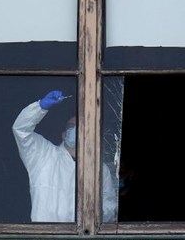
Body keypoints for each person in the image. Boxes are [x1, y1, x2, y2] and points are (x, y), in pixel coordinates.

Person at [12, 91, 118, 223]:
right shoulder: (43, 155)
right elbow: (21, 130)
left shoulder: (100, 170)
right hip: (45, 239)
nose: (77, 131)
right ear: (63, 134)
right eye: (72, 127)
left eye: (82, 128)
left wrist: (95, 212)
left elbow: (110, 205)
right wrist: (40, 107)